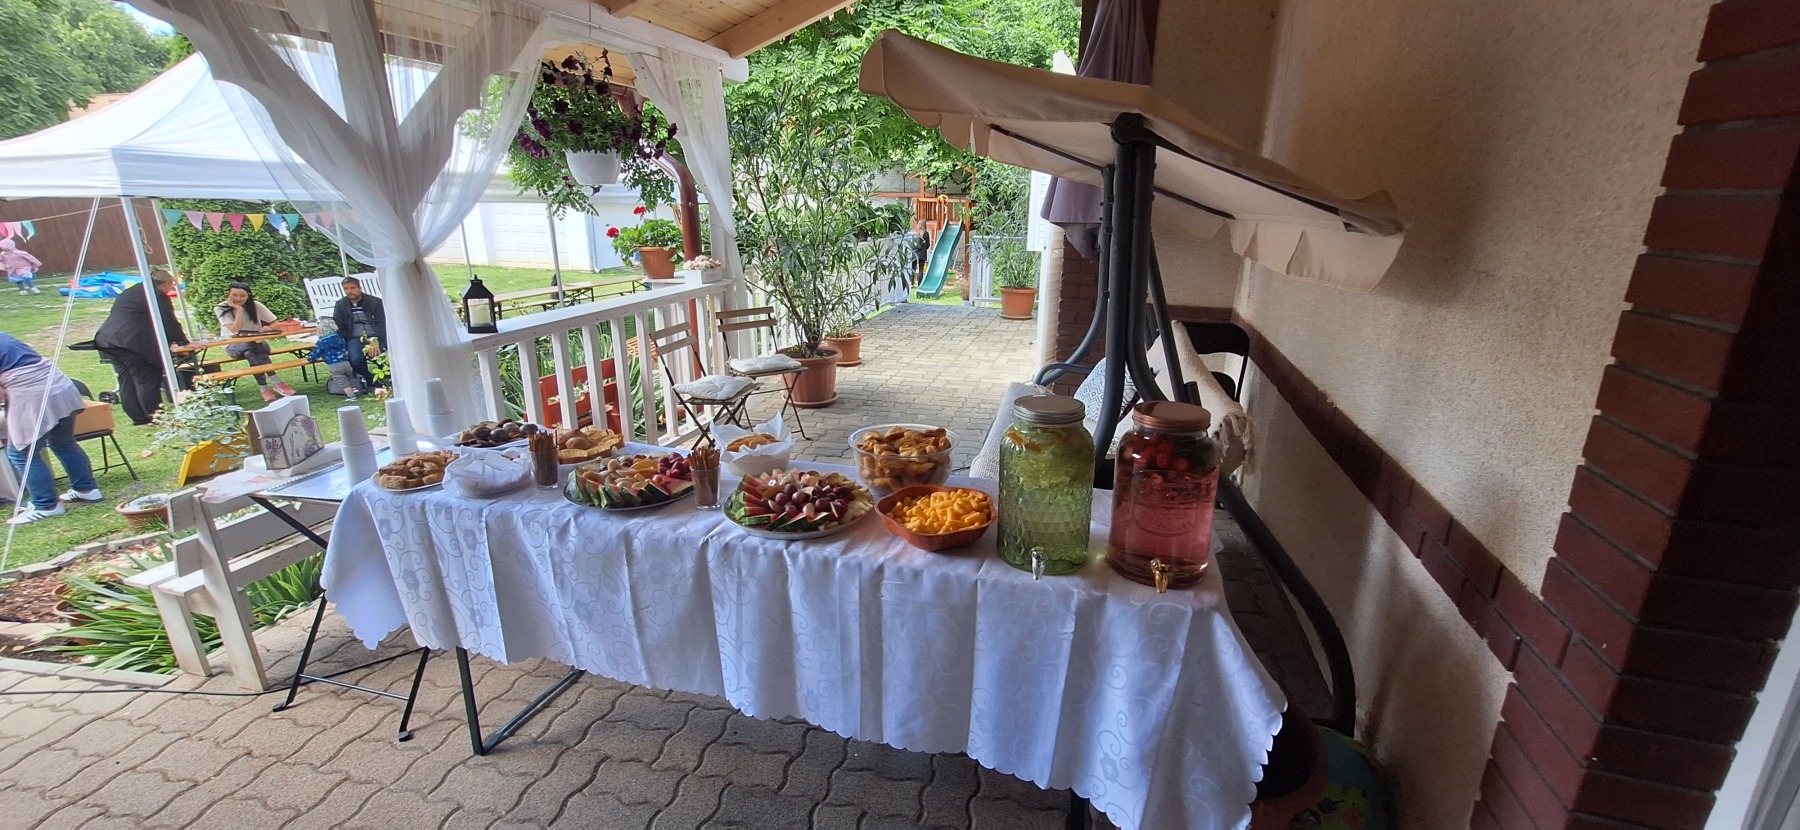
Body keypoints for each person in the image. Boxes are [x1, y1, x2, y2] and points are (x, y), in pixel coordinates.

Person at [0, 331, 101, 525]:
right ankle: (86, 489)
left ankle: (45, 505)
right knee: (63, 443)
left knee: (23, 453)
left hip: (32, 392)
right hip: (59, 384)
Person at [93, 270, 188, 426]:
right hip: (130, 342)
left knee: (126, 379)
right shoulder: (156, 295)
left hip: (108, 339)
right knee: (147, 378)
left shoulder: (132, 291)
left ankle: (138, 417)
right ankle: (155, 416)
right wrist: (182, 341)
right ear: (165, 283)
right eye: (171, 285)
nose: (171, 288)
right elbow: (168, 320)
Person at [214, 281, 296, 403]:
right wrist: (239, 310)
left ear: (248, 295)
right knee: (250, 347)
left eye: (242, 296)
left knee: (250, 352)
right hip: (233, 346)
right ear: (228, 294)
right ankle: (277, 383)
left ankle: (264, 389)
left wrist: (269, 328)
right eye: (234, 295)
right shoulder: (221, 308)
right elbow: (234, 329)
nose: (238, 298)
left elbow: (276, 323)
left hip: (258, 344)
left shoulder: (256, 305)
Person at [332, 276, 387, 391]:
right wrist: (344, 345)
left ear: (360, 288)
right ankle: (370, 380)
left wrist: (376, 340)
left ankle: (387, 375)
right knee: (355, 359)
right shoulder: (341, 305)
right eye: (346, 288)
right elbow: (340, 326)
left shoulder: (375, 302)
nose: (349, 291)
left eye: (352, 288)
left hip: (376, 336)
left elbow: (382, 323)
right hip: (355, 338)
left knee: (383, 355)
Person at [306, 317, 361, 400]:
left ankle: (351, 396)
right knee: (348, 378)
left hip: (334, 365)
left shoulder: (322, 341)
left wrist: (310, 359)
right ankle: (355, 389)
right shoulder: (339, 337)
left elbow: (316, 353)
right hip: (346, 363)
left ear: (321, 330)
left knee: (342, 382)